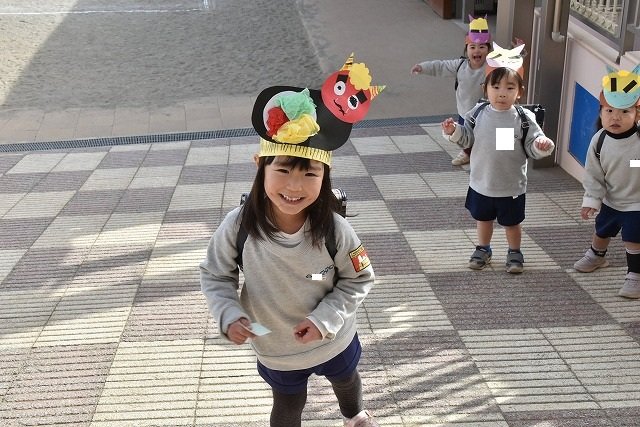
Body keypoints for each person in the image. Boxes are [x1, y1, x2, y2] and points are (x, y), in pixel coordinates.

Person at [200, 54, 383, 427]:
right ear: (260, 166)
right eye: (282, 169)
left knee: (346, 380)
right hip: (276, 345)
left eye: (310, 174)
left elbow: (359, 278)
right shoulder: (238, 226)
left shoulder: (336, 230)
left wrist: (324, 319)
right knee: (288, 404)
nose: (294, 186)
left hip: (333, 337)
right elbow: (216, 274)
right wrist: (229, 313)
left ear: (325, 175)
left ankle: (354, 415)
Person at [441, 44, 555, 274]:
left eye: (510, 87)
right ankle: (483, 248)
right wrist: (453, 131)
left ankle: (514, 251)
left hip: (511, 186)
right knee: (483, 220)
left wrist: (542, 145)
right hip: (482, 182)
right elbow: (466, 138)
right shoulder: (477, 113)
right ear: (485, 89)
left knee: (512, 223)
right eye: (496, 87)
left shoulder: (523, 118)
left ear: (519, 92)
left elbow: (533, 145)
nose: (502, 93)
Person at [573, 65, 640, 299]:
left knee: (633, 239)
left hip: (636, 203)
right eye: (609, 111)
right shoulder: (599, 140)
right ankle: (596, 256)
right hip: (611, 200)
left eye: (624, 112)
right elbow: (594, 174)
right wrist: (592, 200)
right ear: (600, 112)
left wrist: (635, 164)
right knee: (602, 230)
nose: (615, 117)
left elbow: (634, 165)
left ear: (637, 115)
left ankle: (635, 275)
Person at [411, 15, 492, 166]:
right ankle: (467, 153)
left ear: (488, 50)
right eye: (472, 47)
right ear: (466, 50)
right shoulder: (460, 65)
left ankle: (489, 155)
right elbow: (441, 66)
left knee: (486, 135)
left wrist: (520, 53)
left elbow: (509, 65)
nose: (477, 51)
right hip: (465, 111)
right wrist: (423, 67)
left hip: (486, 112)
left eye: (482, 47)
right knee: (465, 137)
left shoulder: (491, 67)